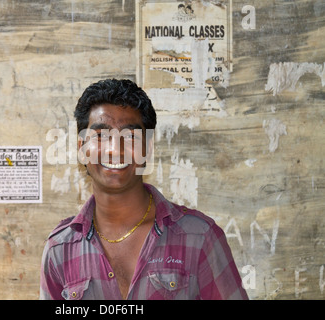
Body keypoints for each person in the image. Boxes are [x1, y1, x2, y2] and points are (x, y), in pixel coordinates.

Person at [40, 79, 248, 300]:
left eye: (130, 136)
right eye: (101, 135)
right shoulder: (60, 249)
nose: (115, 150)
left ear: (147, 149)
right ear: (81, 149)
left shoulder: (199, 237)